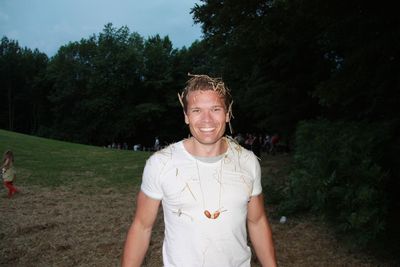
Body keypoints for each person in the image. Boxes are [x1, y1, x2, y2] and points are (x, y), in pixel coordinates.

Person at [122, 74, 277, 267]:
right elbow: (141, 227)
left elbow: (257, 221)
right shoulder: (161, 163)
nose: (207, 119)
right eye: (196, 110)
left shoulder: (247, 161)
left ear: (227, 113)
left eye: (215, 109)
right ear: (186, 116)